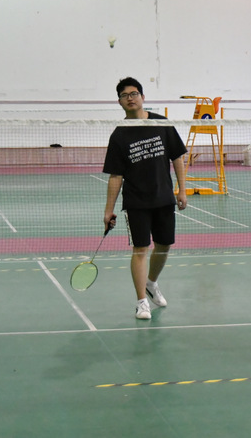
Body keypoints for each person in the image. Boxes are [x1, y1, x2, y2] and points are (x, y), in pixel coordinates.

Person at [103, 77, 188, 320]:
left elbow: (177, 157)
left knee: (164, 245)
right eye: (124, 95)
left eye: (134, 93)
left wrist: (182, 190)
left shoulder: (161, 124)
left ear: (142, 96)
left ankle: (151, 283)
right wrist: (108, 210)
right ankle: (141, 301)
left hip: (164, 197)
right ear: (119, 102)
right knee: (140, 249)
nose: (130, 98)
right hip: (136, 201)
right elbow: (115, 176)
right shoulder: (119, 135)